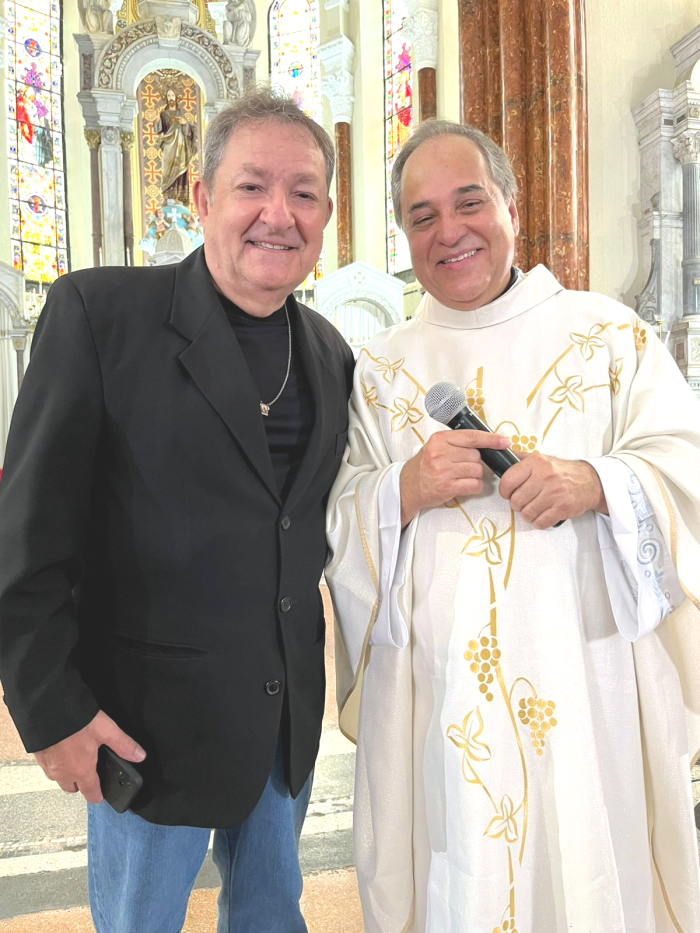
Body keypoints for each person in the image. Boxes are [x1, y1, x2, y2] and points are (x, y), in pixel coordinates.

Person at [326, 120, 700, 932]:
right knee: (461, 863)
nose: (449, 231)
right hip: (438, 694)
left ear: (512, 208)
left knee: (588, 859)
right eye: (422, 216)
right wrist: (402, 489)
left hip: (589, 675)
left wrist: (598, 480)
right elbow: (336, 515)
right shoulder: (381, 369)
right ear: (404, 236)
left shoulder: (609, 336)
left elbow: (686, 461)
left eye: (470, 203)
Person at [0, 87, 354, 933]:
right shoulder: (100, 315)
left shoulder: (331, 352)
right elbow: (29, 536)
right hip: (144, 722)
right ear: (201, 196)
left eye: (304, 192)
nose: (278, 214)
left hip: (282, 717)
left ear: (327, 214)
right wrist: (51, 710)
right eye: (251, 186)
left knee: (271, 915)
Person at [155, 88, 197, 205]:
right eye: (169, 95)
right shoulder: (163, 114)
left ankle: (179, 196)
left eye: (172, 95)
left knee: (180, 169)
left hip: (180, 146)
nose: (171, 98)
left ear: (176, 97)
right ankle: (168, 196)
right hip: (169, 147)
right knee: (168, 171)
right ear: (166, 98)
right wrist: (157, 116)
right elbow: (158, 129)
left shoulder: (180, 113)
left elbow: (190, 132)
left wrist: (185, 124)